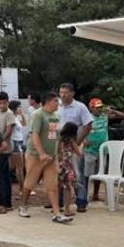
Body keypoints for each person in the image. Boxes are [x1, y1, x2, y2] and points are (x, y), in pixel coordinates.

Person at [19, 91, 72, 224]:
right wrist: (41, 153)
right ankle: (23, 205)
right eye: (56, 101)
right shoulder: (37, 115)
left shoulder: (57, 116)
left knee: (52, 184)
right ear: (48, 101)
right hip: (36, 155)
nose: (58, 104)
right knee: (30, 181)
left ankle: (57, 213)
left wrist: (58, 153)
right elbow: (34, 135)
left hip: (51, 156)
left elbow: (57, 136)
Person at [56, 83, 93, 213]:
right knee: (60, 174)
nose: (63, 95)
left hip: (74, 139)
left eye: (66, 92)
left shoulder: (80, 107)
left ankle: (81, 201)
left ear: (72, 93)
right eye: (61, 92)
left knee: (78, 173)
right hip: (59, 143)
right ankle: (58, 202)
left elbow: (88, 125)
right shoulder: (57, 106)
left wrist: (78, 142)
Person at [85, 98, 124, 201]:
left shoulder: (104, 115)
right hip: (90, 148)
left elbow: (123, 116)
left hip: (103, 149)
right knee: (88, 173)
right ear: (91, 108)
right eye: (97, 108)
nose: (99, 109)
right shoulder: (88, 117)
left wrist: (112, 110)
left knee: (100, 171)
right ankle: (84, 194)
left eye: (100, 107)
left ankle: (95, 194)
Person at [0, 92, 16, 213]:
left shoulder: (9, 113)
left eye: (4, 102)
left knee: (2, 175)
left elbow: (9, 130)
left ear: (7, 102)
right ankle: (4, 201)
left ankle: (4, 202)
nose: (2, 105)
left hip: (5, 148)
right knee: (3, 175)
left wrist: (0, 140)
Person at [58, 122, 81, 217]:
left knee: (58, 186)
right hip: (68, 165)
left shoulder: (60, 140)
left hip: (59, 164)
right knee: (68, 187)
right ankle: (67, 209)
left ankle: (56, 206)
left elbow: (57, 151)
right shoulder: (71, 140)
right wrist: (82, 145)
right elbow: (79, 153)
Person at [9, 100, 27, 195]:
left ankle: (22, 188)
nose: (20, 109)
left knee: (13, 166)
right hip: (15, 142)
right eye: (19, 107)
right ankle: (22, 189)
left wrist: (22, 115)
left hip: (19, 141)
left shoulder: (15, 117)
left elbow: (24, 124)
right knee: (19, 167)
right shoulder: (11, 117)